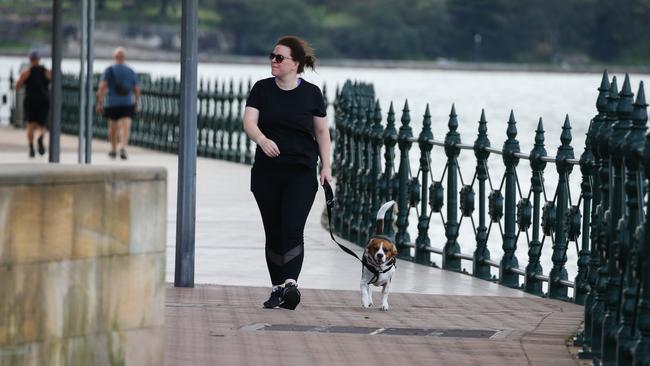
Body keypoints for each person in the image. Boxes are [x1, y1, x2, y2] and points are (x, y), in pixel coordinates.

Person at [243, 36, 332, 310]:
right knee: (274, 231)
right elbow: (249, 121)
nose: (274, 61)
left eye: (279, 58)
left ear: (295, 64)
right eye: (272, 56)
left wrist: (326, 167)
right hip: (266, 174)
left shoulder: (312, 94)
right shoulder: (261, 89)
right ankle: (277, 288)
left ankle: (290, 283)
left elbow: (321, 132)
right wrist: (261, 139)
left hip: (301, 173)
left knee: (292, 228)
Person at [96, 46, 140, 160]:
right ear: (124, 57)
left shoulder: (109, 70)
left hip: (112, 103)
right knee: (125, 127)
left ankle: (113, 149)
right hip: (127, 102)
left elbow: (102, 87)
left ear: (114, 57)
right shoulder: (130, 71)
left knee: (113, 128)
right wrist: (136, 102)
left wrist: (99, 102)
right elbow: (136, 89)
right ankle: (122, 147)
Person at [15, 50, 51, 158]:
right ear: (39, 59)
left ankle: (31, 147)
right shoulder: (46, 72)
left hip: (30, 101)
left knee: (30, 125)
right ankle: (40, 138)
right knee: (43, 125)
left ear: (30, 60)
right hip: (43, 101)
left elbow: (17, 86)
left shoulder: (27, 72)